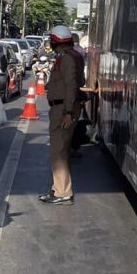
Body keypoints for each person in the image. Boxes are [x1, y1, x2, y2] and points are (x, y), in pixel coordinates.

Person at [39, 25, 84, 205]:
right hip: (64, 107)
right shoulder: (74, 56)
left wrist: (68, 112)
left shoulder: (66, 59)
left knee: (58, 151)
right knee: (61, 150)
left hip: (63, 109)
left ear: (56, 41)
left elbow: (71, 85)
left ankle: (62, 192)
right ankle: (58, 187)